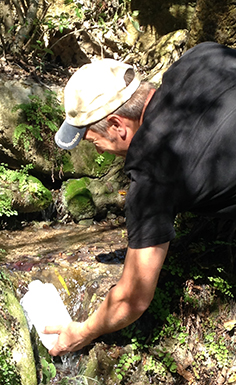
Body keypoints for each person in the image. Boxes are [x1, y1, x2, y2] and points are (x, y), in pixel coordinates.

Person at [44, 41, 236, 356]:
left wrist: (82, 331)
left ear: (117, 126)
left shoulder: (153, 176)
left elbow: (132, 299)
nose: (97, 150)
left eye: (93, 141)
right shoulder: (201, 57)